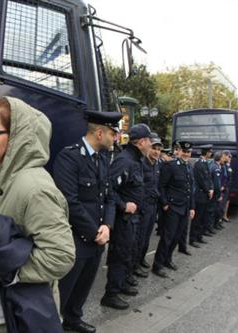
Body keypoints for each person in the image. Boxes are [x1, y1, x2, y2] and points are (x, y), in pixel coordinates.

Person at [0, 97, 75, 332]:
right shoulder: (3, 178)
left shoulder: (35, 189)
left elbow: (59, 257)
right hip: (1, 309)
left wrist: (4, 270)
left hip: (20, 315)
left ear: (17, 137)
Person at [53, 110, 121, 333]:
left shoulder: (102, 159)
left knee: (84, 286)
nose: (116, 138)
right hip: (76, 238)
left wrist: (107, 226)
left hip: (98, 238)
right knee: (64, 289)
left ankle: (73, 318)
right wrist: (94, 232)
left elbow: (110, 196)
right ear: (100, 133)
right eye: (113, 133)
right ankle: (54, 325)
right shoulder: (70, 157)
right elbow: (69, 202)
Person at [100, 123, 152, 310]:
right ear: (142, 142)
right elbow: (108, 189)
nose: (151, 146)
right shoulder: (125, 160)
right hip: (123, 219)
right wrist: (123, 205)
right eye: (149, 142)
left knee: (128, 253)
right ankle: (111, 294)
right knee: (120, 255)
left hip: (134, 218)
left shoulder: (136, 159)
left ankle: (121, 284)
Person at [152, 141, 195, 278]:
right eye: (184, 151)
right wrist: (164, 203)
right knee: (167, 237)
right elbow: (161, 186)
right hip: (172, 207)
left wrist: (192, 207)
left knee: (177, 237)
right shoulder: (170, 166)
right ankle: (157, 265)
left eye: (188, 152)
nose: (186, 154)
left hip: (185, 207)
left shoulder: (189, 166)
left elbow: (190, 190)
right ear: (178, 151)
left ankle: (167, 259)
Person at [134, 132, 162, 276]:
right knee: (139, 237)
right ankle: (134, 265)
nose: (157, 152)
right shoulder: (142, 163)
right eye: (154, 148)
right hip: (142, 206)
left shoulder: (157, 165)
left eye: (159, 149)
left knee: (147, 237)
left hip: (153, 206)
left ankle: (141, 258)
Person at [189, 144, 214, 247]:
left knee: (202, 217)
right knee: (197, 218)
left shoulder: (205, 163)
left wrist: (211, 188)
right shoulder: (199, 164)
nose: (211, 153)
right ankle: (192, 239)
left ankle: (199, 236)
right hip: (200, 195)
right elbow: (201, 180)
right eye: (210, 151)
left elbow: (209, 178)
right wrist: (208, 190)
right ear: (207, 152)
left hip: (206, 195)